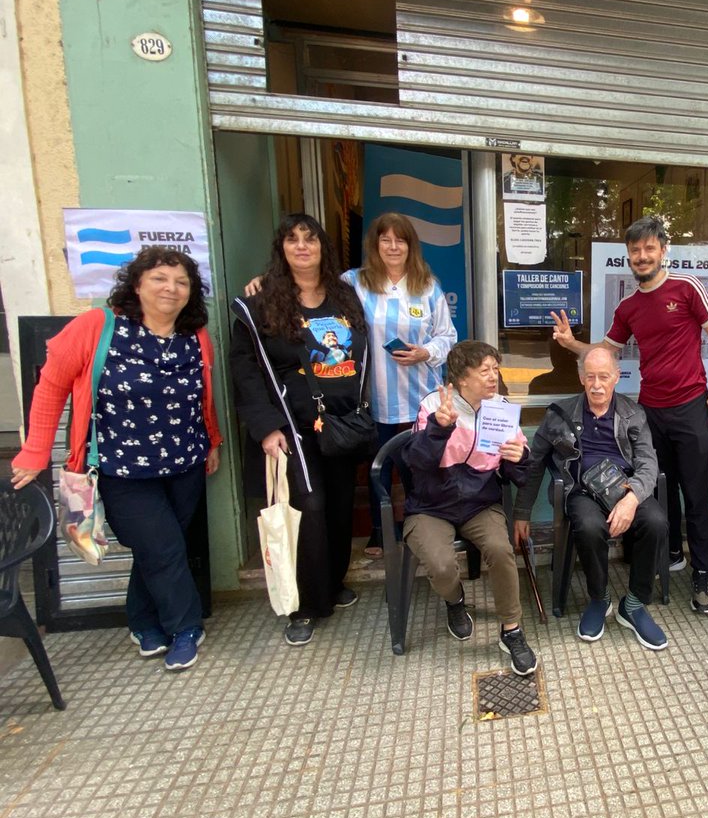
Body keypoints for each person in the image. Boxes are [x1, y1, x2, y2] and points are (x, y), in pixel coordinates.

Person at [11, 247, 223, 672]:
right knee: (161, 546)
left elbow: (203, 395)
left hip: (185, 463)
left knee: (161, 547)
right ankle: (185, 627)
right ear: (138, 283)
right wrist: (35, 451)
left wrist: (212, 441)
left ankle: (142, 621)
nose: (171, 288)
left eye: (181, 282)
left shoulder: (194, 335)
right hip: (121, 467)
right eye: (160, 278)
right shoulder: (98, 326)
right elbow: (50, 387)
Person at [551, 215, 708, 615]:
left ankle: (703, 571)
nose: (642, 255)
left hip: (690, 407)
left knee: (697, 495)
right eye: (635, 250)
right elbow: (606, 351)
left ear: (663, 250)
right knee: (658, 489)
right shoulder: (629, 306)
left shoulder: (686, 287)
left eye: (650, 248)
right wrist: (570, 344)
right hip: (650, 410)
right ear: (629, 257)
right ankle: (669, 555)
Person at [246, 212, 456, 559]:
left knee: (419, 469)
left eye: (400, 239)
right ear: (374, 245)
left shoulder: (427, 285)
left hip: (420, 397)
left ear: (410, 245)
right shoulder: (352, 282)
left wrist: (427, 352)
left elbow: (448, 337)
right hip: (371, 399)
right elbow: (306, 282)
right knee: (379, 470)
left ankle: (422, 530)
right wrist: (265, 281)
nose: (392, 246)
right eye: (384, 239)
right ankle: (380, 531)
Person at [230, 213, 369, 647]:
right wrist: (266, 427)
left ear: (323, 247)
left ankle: (331, 581)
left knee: (340, 503)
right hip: (292, 427)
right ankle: (305, 604)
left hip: (341, 419)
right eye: (292, 239)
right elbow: (245, 369)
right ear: (282, 248)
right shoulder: (262, 302)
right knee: (309, 505)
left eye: (310, 239)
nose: (302, 246)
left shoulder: (345, 296)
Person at [514, 347, 669, 649]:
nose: (597, 385)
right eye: (590, 377)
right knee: (587, 525)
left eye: (604, 377)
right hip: (581, 490)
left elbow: (649, 464)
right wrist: (522, 511)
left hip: (624, 489)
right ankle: (600, 598)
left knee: (655, 521)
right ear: (581, 378)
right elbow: (534, 464)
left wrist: (632, 498)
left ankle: (634, 604)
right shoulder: (559, 414)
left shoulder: (632, 413)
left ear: (616, 378)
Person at [401, 341, 538, 675]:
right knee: (441, 564)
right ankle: (455, 601)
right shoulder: (436, 405)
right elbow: (416, 463)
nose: (494, 377)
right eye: (485, 371)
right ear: (462, 379)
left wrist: (521, 459)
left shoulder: (501, 408)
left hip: (480, 502)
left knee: (501, 551)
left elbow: (517, 474)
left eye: (495, 369)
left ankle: (512, 630)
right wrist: (438, 428)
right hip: (431, 505)